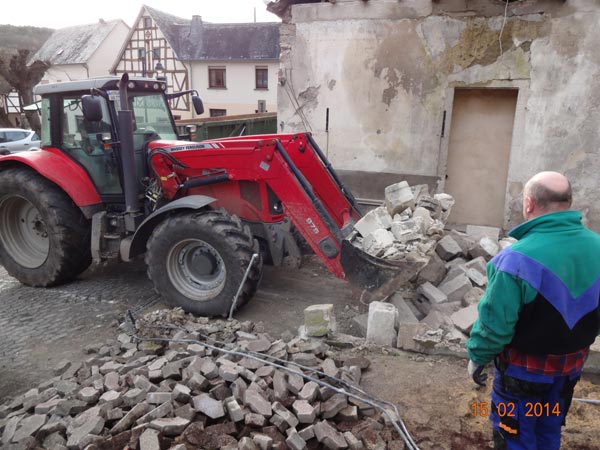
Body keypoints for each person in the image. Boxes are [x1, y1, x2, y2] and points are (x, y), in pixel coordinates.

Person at [466, 171, 600, 450]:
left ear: (529, 204)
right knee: (548, 428)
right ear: (568, 203)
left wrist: (478, 357)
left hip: (522, 373)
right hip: (570, 368)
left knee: (514, 436)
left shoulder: (514, 260)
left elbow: (495, 325)